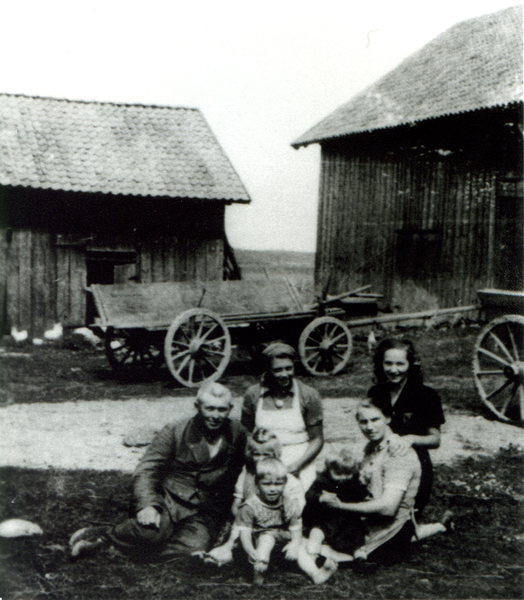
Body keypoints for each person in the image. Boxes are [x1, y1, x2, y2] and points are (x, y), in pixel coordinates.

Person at [69, 382, 246, 560]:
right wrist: (147, 504)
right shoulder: (176, 430)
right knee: (151, 533)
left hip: (203, 510)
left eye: (222, 410)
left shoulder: (237, 433)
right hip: (168, 501)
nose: (215, 416)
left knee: (193, 548)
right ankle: (103, 536)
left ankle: (124, 549)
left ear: (230, 409)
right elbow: (147, 469)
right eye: (210, 408)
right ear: (197, 407)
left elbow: (251, 465)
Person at [319, 399, 421, 563]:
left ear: (387, 418)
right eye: (364, 421)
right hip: (367, 520)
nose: (369, 427)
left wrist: (341, 506)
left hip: (391, 528)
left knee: (325, 549)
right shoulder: (371, 449)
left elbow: (388, 508)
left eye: (375, 420)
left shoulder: (398, 453)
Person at [197, 427, 305, 566]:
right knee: (237, 530)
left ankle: (251, 557)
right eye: (256, 454)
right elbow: (236, 504)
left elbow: (296, 511)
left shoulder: (284, 478)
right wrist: (245, 516)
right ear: (250, 454)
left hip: (277, 526)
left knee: (262, 537)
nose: (260, 459)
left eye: (266, 454)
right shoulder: (247, 475)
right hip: (250, 522)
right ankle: (216, 554)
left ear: (275, 454)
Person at [368, 338, 445, 512]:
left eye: (400, 364)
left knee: (400, 518)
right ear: (381, 364)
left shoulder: (426, 395)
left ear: (411, 364)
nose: (394, 370)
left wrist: (409, 439)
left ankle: (435, 526)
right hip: (382, 462)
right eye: (388, 363)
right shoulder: (376, 393)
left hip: (414, 464)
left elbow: (435, 439)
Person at [241, 342, 323, 491]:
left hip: (299, 462)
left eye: (288, 368)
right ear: (267, 369)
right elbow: (246, 433)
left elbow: (317, 439)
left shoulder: (308, 395)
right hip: (262, 462)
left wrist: (297, 465)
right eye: (277, 370)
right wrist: (255, 464)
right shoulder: (253, 394)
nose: (284, 374)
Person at [236, 457, 331, 585]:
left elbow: (296, 529)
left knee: (300, 549)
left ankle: (315, 573)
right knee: (267, 539)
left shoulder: (288, 503)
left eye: (278, 484)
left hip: (282, 540)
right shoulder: (250, 506)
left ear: (285, 483)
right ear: (257, 484)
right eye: (266, 484)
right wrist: (250, 551)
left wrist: (294, 544)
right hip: (259, 541)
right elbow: (245, 534)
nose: (273, 489)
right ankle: (258, 572)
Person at [302, 448, 368, 566]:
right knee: (316, 533)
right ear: (329, 469)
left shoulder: (354, 481)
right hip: (325, 519)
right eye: (338, 474)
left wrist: (363, 487)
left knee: (358, 535)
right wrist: (321, 497)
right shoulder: (323, 480)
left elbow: (360, 495)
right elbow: (309, 494)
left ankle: (360, 558)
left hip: (346, 519)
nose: (343, 477)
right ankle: (313, 556)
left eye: (348, 473)